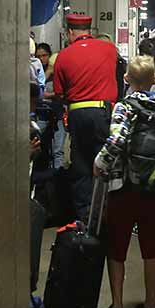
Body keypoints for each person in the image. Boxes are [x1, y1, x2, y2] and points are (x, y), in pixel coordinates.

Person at [92, 56, 155, 308]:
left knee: (116, 247)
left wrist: (100, 163)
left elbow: (116, 140)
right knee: (151, 249)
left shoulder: (124, 106)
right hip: (154, 186)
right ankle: (151, 305)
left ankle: (117, 306)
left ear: (127, 79)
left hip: (124, 187)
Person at [52, 13, 120, 223]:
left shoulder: (63, 55)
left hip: (77, 114)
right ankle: (108, 214)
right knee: (105, 162)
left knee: (81, 166)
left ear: (70, 32)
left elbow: (59, 93)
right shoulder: (109, 49)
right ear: (90, 31)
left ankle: (85, 218)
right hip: (103, 112)